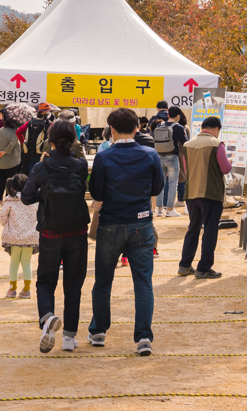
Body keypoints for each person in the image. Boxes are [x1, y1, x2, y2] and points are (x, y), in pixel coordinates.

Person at [88, 108, 163, 356]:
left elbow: (97, 193)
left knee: (103, 280)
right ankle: (143, 337)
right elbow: (158, 187)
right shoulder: (150, 154)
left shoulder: (104, 157)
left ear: (111, 129)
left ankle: (99, 330)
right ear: (137, 128)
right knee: (143, 282)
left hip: (110, 224)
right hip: (141, 223)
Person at [21, 119, 90, 353]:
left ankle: (48, 318)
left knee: (46, 281)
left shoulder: (42, 166)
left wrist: (45, 194)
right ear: (73, 140)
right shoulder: (80, 165)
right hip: (78, 232)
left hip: (50, 232)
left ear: (49, 140)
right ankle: (69, 338)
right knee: (73, 285)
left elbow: (26, 197)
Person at [178, 116, 232, 280]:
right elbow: (225, 168)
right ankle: (204, 268)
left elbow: (186, 170)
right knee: (210, 230)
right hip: (211, 194)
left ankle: (185, 265)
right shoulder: (217, 144)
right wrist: (229, 160)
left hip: (191, 193)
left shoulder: (188, 145)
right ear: (216, 129)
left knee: (193, 228)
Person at [0, 173, 39, 299]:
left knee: (14, 263)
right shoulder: (34, 200)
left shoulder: (9, 201)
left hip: (13, 238)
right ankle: (26, 290)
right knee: (27, 263)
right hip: (30, 237)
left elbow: (2, 218)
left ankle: (12, 289)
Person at [153, 105, 187, 217]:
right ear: (178, 116)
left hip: (159, 157)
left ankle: (159, 209)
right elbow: (185, 143)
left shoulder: (159, 125)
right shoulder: (179, 128)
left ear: (168, 115)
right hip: (172, 157)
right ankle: (170, 210)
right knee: (173, 184)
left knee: (160, 184)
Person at [18, 103, 55, 172]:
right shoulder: (50, 124)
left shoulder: (30, 123)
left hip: (31, 152)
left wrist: (24, 142)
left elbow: (18, 132)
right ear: (46, 112)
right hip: (44, 153)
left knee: (33, 173)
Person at [0, 115, 22, 205]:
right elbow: (12, 144)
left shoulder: (0, 130)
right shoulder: (14, 132)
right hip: (12, 160)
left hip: (0, 161)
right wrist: (5, 152)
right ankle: (8, 197)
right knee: (11, 180)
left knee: (1, 180)